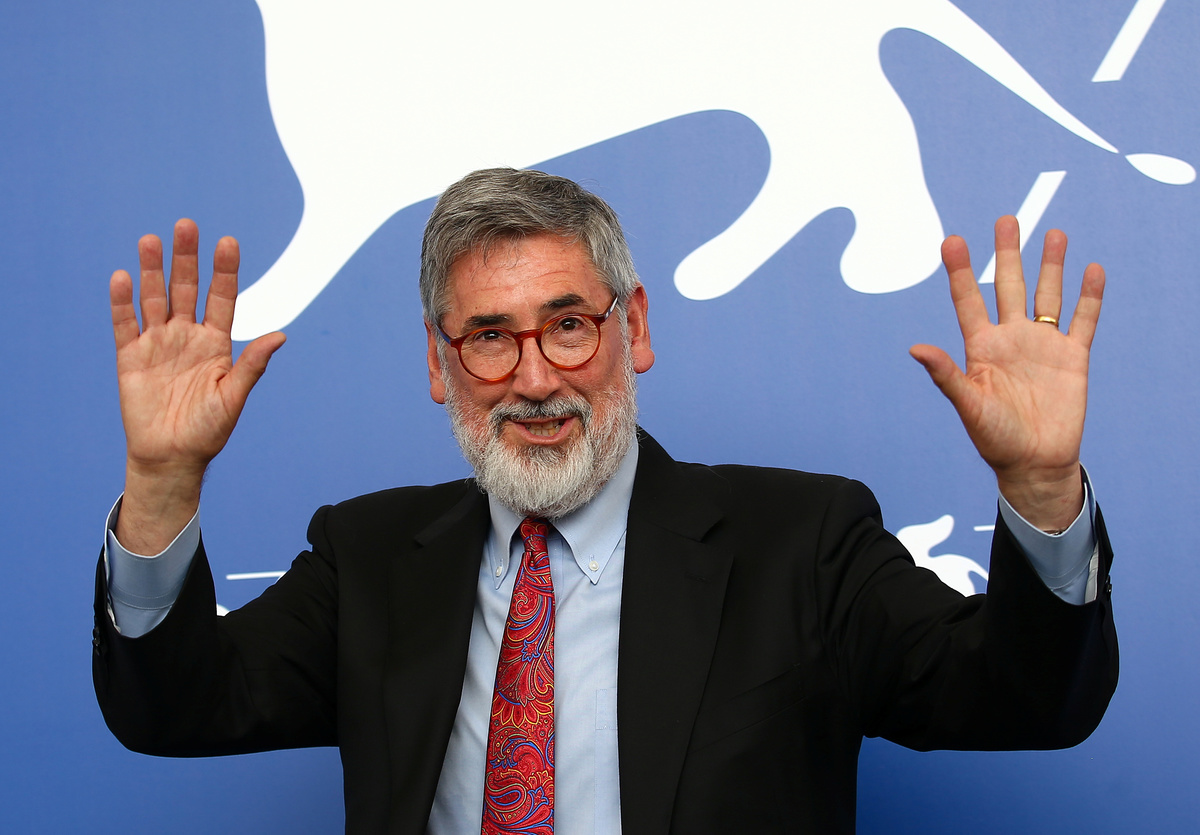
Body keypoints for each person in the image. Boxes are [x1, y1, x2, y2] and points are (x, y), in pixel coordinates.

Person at [94, 168, 1117, 835]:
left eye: (569, 324)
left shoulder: (803, 543)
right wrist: (164, 484)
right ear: (440, 366)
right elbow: (176, 708)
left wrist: (1039, 488)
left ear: (636, 329)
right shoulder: (367, 556)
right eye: (489, 337)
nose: (536, 376)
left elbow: (1029, 702)